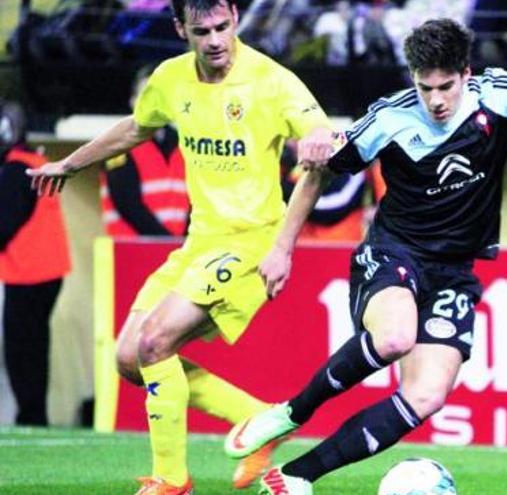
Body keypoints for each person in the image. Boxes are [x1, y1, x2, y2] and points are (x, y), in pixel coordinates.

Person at [222, 18, 507, 495]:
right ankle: (288, 414)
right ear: (413, 79)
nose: (436, 100)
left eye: (446, 86)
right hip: (393, 252)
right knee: (395, 337)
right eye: (425, 88)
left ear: (466, 74)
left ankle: (295, 476)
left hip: (455, 271)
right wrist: (282, 248)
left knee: (426, 396)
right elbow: (317, 173)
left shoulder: (500, 95)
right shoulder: (388, 118)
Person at [26, 0, 336, 493]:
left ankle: (170, 480)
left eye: (222, 27)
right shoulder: (171, 79)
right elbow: (134, 127)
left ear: (235, 18)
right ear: (179, 29)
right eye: (201, 31)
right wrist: (69, 165)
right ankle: (259, 421)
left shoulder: (272, 81)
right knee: (130, 358)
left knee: (154, 343)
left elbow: (320, 136)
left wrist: (286, 238)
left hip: (251, 244)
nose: (214, 40)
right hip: (199, 243)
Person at [0, 99, 71, 426]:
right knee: (33, 348)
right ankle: (34, 414)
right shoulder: (35, 162)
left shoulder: (16, 171)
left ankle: (31, 416)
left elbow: (4, 224)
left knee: (21, 351)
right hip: (47, 272)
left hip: (27, 273)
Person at [101, 66, 189, 237]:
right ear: (133, 101)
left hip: (178, 251)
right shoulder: (119, 144)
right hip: (131, 251)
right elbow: (128, 205)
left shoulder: (186, 144)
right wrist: (167, 242)